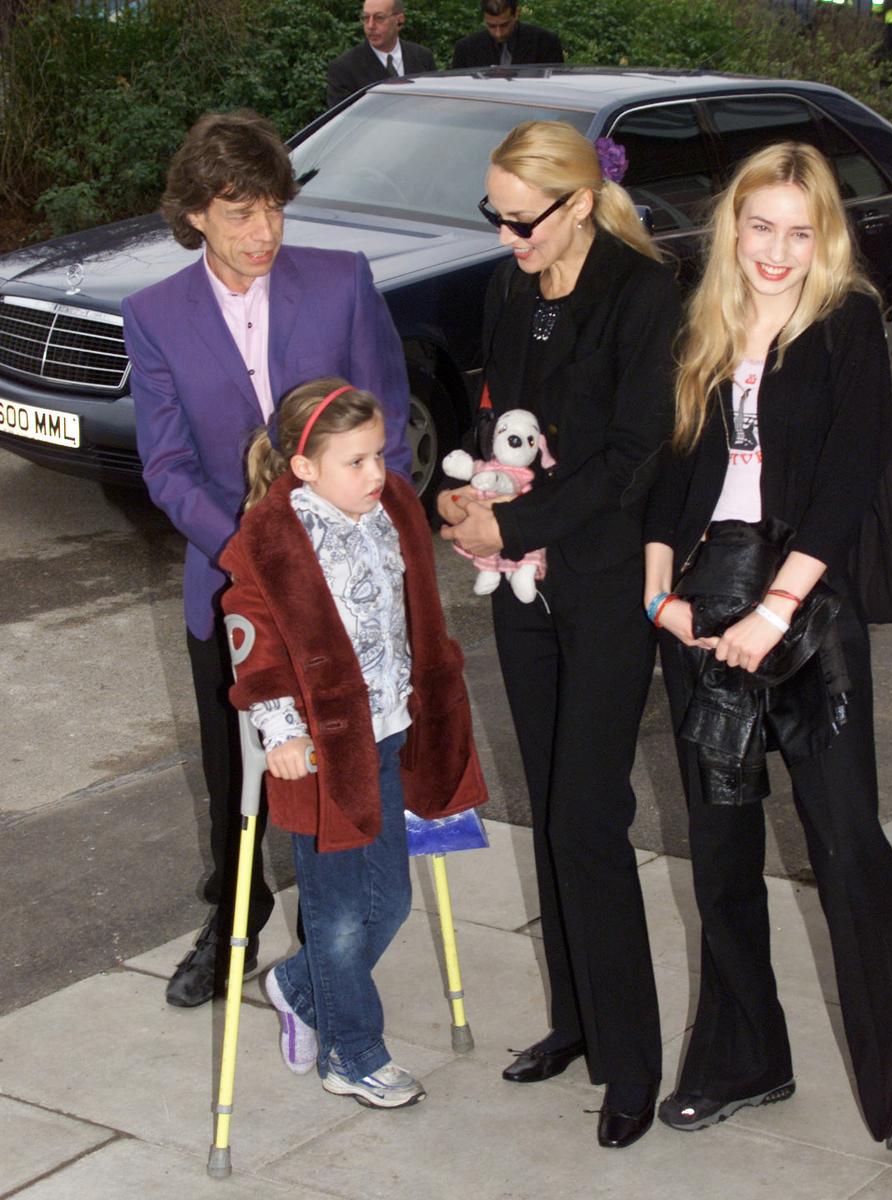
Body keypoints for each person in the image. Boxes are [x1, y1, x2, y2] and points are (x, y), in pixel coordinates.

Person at [644, 141, 892, 1152]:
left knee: (848, 843)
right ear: (732, 224)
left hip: (806, 608)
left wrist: (777, 609)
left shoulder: (848, 322)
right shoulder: (704, 315)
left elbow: (851, 473)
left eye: (798, 230)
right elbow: (671, 461)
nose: (775, 250)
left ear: (825, 235)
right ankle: (742, 1056)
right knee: (723, 844)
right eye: (759, 225)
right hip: (700, 602)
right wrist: (661, 591)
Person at [123, 109, 411, 1009]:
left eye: (274, 208)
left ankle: (341, 922)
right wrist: (261, 553)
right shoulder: (155, 314)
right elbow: (166, 466)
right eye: (238, 211)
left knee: (345, 762)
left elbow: (388, 427)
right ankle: (236, 917)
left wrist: (354, 534)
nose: (263, 232)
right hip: (232, 580)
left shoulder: (340, 283)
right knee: (233, 769)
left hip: (348, 583)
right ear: (196, 214)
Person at [438, 121, 681, 1149]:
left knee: (588, 814)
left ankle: (631, 1064)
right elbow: (498, 414)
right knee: (549, 800)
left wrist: (516, 523)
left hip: (606, 581)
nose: (504, 236)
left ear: (578, 203)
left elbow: (634, 455)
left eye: (520, 218)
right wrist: (467, 508)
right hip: (523, 588)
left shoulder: (642, 290)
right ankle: (575, 1025)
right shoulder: (509, 290)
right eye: (493, 215)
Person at [220, 378, 486, 1106]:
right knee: (336, 918)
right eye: (357, 461)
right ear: (305, 469)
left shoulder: (392, 506)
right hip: (323, 751)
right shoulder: (270, 540)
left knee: (391, 900)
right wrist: (281, 728)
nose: (379, 473)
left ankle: (298, 987)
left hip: (394, 729)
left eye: (379, 455)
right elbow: (253, 639)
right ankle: (353, 1052)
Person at [326, 0, 436, 109]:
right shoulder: (344, 68)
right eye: (366, 18)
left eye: (379, 18)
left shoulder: (423, 57)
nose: (370, 26)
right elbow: (344, 120)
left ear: (399, 20)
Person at [451, 0, 563, 68]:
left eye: (504, 25)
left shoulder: (545, 43)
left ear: (516, 14)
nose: (498, 33)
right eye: (491, 26)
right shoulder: (466, 49)